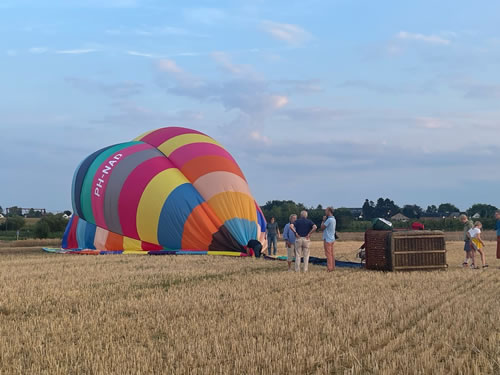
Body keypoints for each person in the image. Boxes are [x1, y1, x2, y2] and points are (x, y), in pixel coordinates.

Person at [321, 207, 336, 272]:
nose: (325, 212)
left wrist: (323, 220)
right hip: (332, 238)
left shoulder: (329, 220)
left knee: (328, 254)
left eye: (326, 211)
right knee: (331, 254)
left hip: (327, 239)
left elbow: (322, 227)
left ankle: (329, 268)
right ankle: (333, 266)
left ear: (329, 211)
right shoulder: (334, 219)